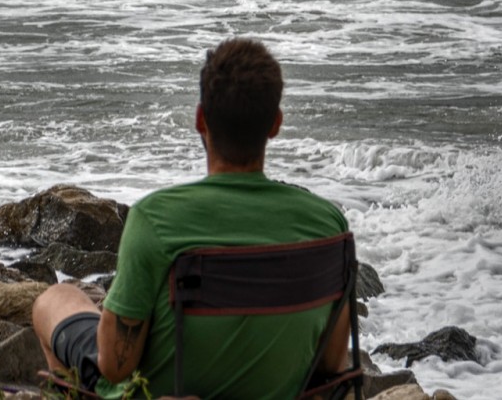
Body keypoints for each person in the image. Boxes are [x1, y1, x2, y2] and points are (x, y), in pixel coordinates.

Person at [32, 38, 351, 400]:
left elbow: (115, 367)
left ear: (201, 119)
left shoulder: (155, 218)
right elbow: (332, 363)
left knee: (55, 299)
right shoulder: (327, 224)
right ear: (275, 124)